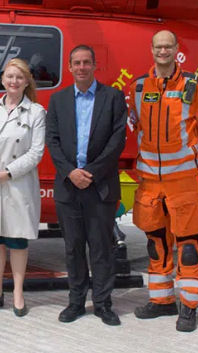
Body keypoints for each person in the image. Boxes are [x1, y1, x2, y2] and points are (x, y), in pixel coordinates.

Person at [126, 30, 198, 332]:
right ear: (152, 50)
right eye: (158, 46)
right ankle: (161, 301)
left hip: (183, 182)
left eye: (168, 46)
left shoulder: (193, 86)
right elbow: (135, 124)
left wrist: (192, 159)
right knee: (156, 243)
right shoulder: (137, 87)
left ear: (177, 49)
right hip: (150, 181)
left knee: (188, 247)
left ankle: (189, 306)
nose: (163, 51)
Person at [45, 45, 127, 326]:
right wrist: (70, 172)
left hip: (100, 185)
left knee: (102, 247)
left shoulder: (113, 97)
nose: (81, 67)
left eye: (86, 63)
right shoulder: (58, 100)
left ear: (94, 66)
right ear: (69, 67)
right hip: (69, 187)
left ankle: (103, 303)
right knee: (73, 247)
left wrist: (89, 172)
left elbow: (118, 140)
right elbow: (52, 141)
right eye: (76, 63)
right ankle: (76, 302)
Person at [0, 58, 46, 317]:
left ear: (26, 82)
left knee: (17, 240)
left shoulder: (36, 112)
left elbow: (36, 152)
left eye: (19, 77)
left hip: (17, 185)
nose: (13, 81)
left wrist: (7, 173)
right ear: (2, 79)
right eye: (9, 76)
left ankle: (17, 292)